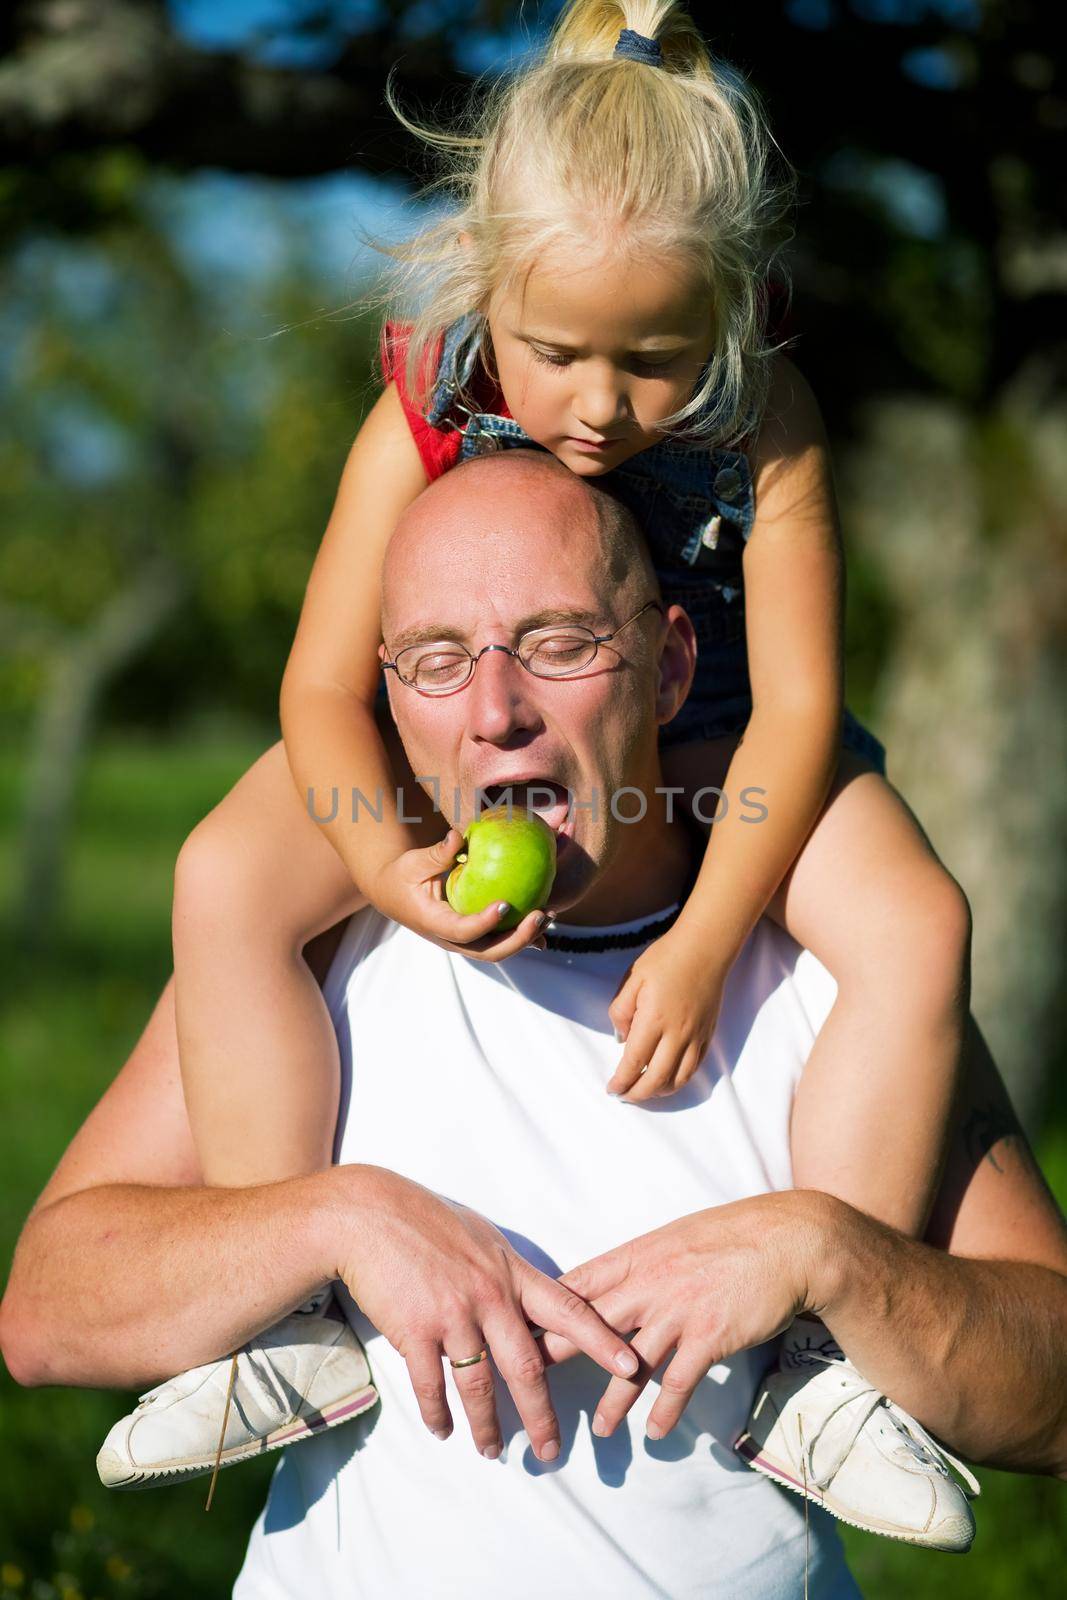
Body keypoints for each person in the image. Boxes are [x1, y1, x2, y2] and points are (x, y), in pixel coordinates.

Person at [154, 0, 980, 1523]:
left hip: (724, 735)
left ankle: (813, 1362)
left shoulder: (763, 413)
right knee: (220, 877)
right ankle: (292, 1307)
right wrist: (378, 866)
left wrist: (709, 935)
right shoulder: (426, 395)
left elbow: (797, 708)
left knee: (915, 924)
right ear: (486, 292)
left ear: (728, 316)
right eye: (557, 353)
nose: (600, 407)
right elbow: (319, 686)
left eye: (655, 359)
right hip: (476, 713)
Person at [2, 452, 1065, 1600]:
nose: (495, 713)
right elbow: (50, 1309)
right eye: (438, 661)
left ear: (668, 667)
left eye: (559, 646)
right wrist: (333, 1220)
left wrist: (828, 1254)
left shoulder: (838, 970)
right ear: (388, 692)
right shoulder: (314, 954)